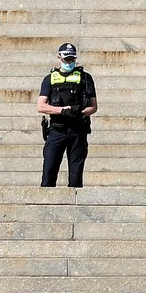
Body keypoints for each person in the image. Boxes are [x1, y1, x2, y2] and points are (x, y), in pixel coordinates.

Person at [37, 43, 98, 187]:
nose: (69, 63)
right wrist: (63, 110)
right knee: (49, 172)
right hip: (57, 130)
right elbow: (41, 106)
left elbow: (94, 107)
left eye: (72, 60)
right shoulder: (50, 78)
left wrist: (79, 112)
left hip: (77, 130)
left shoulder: (85, 78)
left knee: (76, 176)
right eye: (66, 60)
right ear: (59, 57)